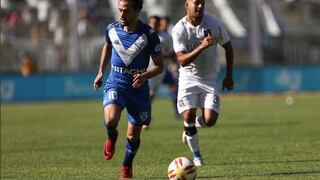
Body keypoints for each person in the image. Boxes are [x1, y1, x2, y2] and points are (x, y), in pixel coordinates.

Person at [93, 0, 163, 178]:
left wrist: (145, 75)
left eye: (126, 11)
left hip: (138, 89)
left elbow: (159, 66)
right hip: (116, 82)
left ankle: (127, 165)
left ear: (137, 11)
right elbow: (107, 46)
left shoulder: (149, 34)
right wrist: (101, 71)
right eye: (120, 10)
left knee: (133, 135)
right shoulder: (111, 29)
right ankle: (111, 135)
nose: (122, 15)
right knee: (110, 120)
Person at [172, 0, 234, 167]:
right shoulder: (179, 29)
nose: (199, 6)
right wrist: (202, 46)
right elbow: (182, 61)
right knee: (188, 114)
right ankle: (197, 156)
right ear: (187, 5)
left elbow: (228, 47)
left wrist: (228, 76)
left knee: (210, 120)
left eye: (202, 3)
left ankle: (190, 127)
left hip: (209, 78)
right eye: (196, 3)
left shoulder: (213, 24)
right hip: (188, 78)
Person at [146, 16, 179, 124]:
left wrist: (173, 65)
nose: (154, 25)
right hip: (148, 69)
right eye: (152, 23)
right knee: (149, 95)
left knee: (174, 87)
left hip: (161, 69)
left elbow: (173, 53)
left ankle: (177, 111)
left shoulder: (165, 37)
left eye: (156, 23)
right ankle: (144, 117)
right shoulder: (145, 35)